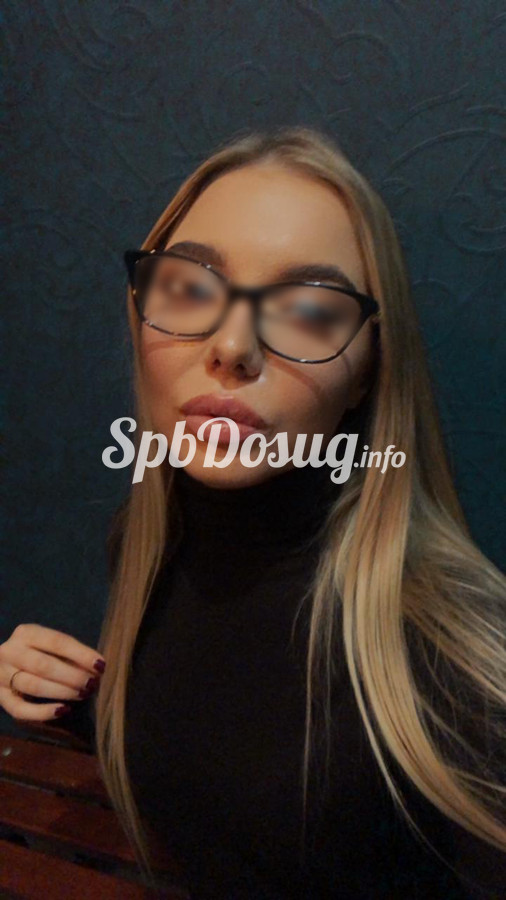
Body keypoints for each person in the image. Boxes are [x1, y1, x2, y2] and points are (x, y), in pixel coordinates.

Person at [1, 126, 505, 899]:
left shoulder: (452, 650)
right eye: (190, 288)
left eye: (307, 310)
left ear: (368, 370)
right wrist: (85, 709)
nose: (233, 345)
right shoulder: (148, 542)